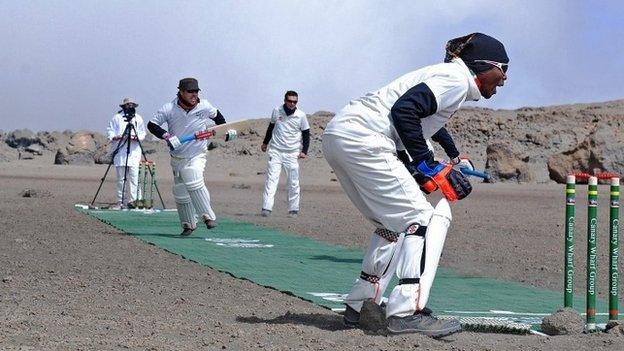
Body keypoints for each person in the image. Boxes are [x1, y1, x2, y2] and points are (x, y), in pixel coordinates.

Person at [322, 33, 509, 337]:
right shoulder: (456, 78)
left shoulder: (448, 79)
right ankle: (406, 312)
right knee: (422, 219)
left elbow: (417, 121)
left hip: (342, 135)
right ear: (484, 65)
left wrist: (425, 167)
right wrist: (427, 164)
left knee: (392, 223)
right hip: (365, 138)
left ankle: (361, 305)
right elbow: (404, 111)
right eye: (504, 69)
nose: (504, 79)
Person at [147, 78, 227, 236]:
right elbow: (152, 125)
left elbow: (220, 120)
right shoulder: (169, 108)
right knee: (180, 191)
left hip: (198, 153)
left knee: (193, 176)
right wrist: (167, 136)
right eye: (190, 91)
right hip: (178, 156)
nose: (194, 95)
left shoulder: (204, 105)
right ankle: (188, 224)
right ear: (181, 92)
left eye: (196, 91)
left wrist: (227, 131)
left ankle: (207, 216)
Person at [260, 91, 310, 218]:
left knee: (293, 182)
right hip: (276, 151)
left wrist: (304, 151)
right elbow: (271, 128)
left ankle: (293, 209)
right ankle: (266, 208)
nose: (292, 104)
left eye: (295, 102)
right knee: (271, 180)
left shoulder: (301, 115)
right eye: (290, 101)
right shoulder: (277, 111)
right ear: (285, 100)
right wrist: (265, 143)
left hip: (292, 153)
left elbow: (305, 133)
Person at [106, 97, 146, 210]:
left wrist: (137, 137)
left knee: (134, 178)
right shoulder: (117, 117)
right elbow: (110, 130)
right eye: (128, 105)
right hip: (121, 152)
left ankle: (135, 201)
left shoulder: (138, 118)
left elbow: (142, 132)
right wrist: (116, 136)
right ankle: (121, 202)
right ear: (123, 106)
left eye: (132, 105)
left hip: (134, 152)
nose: (130, 107)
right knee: (121, 178)